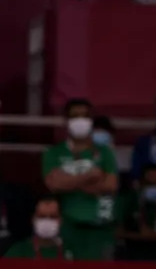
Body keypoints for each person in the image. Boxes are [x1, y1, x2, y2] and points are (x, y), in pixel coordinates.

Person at [42, 97, 119, 260]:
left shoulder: (105, 152)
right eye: (75, 116)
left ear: (91, 121)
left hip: (101, 228)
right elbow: (53, 184)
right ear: (66, 121)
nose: (80, 121)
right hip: (69, 228)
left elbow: (110, 186)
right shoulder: (53, 153)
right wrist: (89, 177)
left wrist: (69, 181)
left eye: (84, 116)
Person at [5, 198, 73, 260]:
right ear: (33, 219)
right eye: (42, 216)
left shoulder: (72, 250)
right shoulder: (19, 251)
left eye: (53, 217)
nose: (47, 221)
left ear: (60, 220)